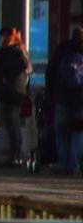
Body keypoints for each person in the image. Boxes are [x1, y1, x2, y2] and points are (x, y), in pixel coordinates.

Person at [0, 25, 33, 166]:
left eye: (2, 36)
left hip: (12, 91)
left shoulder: (14, 51)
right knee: (11, 123)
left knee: (12, 123)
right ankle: (14, 154)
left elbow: (26, 66)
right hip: (11, 90)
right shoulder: (12, 50)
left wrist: (8, 77)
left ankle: (15, 155)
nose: (0, 39)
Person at [45, 26, 83, 174]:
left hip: (62, 98)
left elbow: (51, 71)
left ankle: (62, 163)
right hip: (81, 99)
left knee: (60, 130)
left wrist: (51, 92)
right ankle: (74, 165)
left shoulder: (62, 49)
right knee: (78, 132)